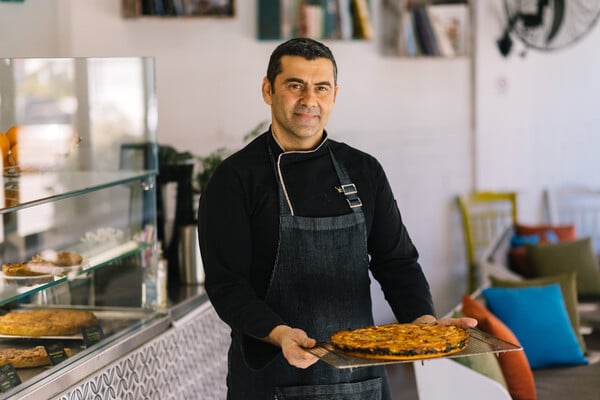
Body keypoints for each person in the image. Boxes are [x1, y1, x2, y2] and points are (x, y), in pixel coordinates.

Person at [198, 37, 476, 400]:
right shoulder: (235, 179)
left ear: (334, 94)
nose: (309, 100)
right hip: (273, 376)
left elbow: (397, 262)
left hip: (359, 378)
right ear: (268, 90)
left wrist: (422, 321)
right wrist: (279, 333)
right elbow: (227, 286)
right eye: (295, 85)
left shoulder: (364, 170)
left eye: (321, 88)